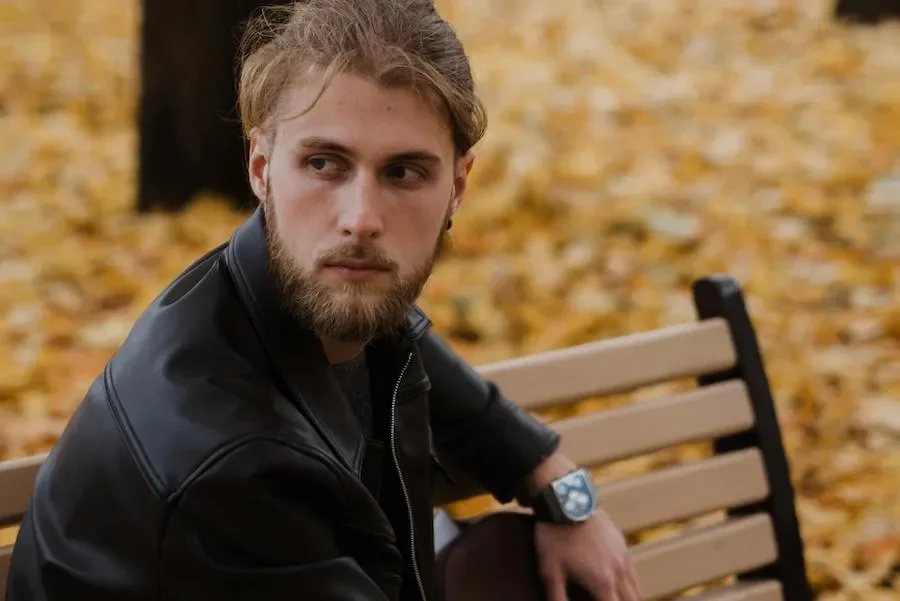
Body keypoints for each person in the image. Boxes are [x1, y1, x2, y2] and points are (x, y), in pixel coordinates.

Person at [6, 1, 642, 600]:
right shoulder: (230, 467)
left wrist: (569, 499)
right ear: (261, 168)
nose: (361, 219)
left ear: (457, 185)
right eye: (323, 164)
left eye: (403, 172)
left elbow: (453, 390)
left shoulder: (325, 303)